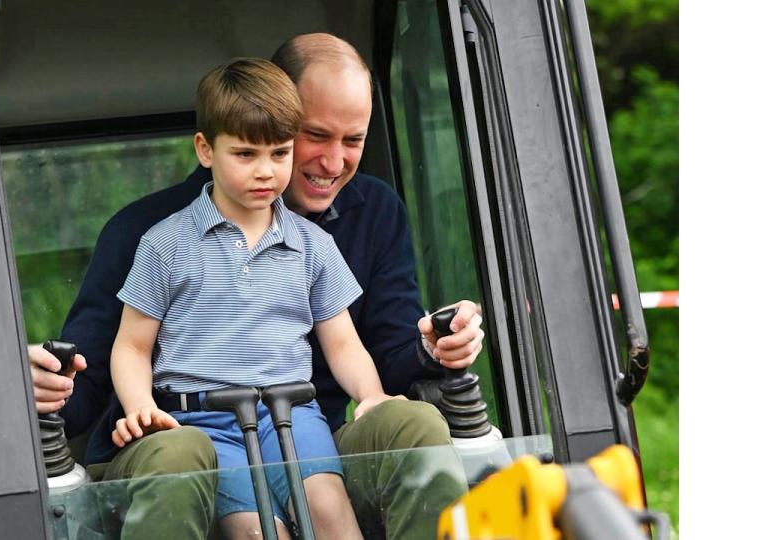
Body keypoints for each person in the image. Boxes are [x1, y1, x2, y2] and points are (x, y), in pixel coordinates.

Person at [30, 33, 485, 539]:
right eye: (317, 135)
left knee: (410, 431)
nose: (334, 163)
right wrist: (50, 387)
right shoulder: (154, 236)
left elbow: (360, 343)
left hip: (299, 422)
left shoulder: (345, 227)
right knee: (226, 500)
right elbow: (111, 359)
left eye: (353, 140)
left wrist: (430, 349)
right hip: (192, 430)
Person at [109, 57, 402, 539]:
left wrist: (370, 396)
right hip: (204, 420)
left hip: (292, 415)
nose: (266, 171)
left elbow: (344, 343)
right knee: (257, 533)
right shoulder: (165, 243)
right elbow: (133, 346)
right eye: (245, 154)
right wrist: (141, 407)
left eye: (280, 154)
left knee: (330, 514)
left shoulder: (313, 245)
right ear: (205, 149)